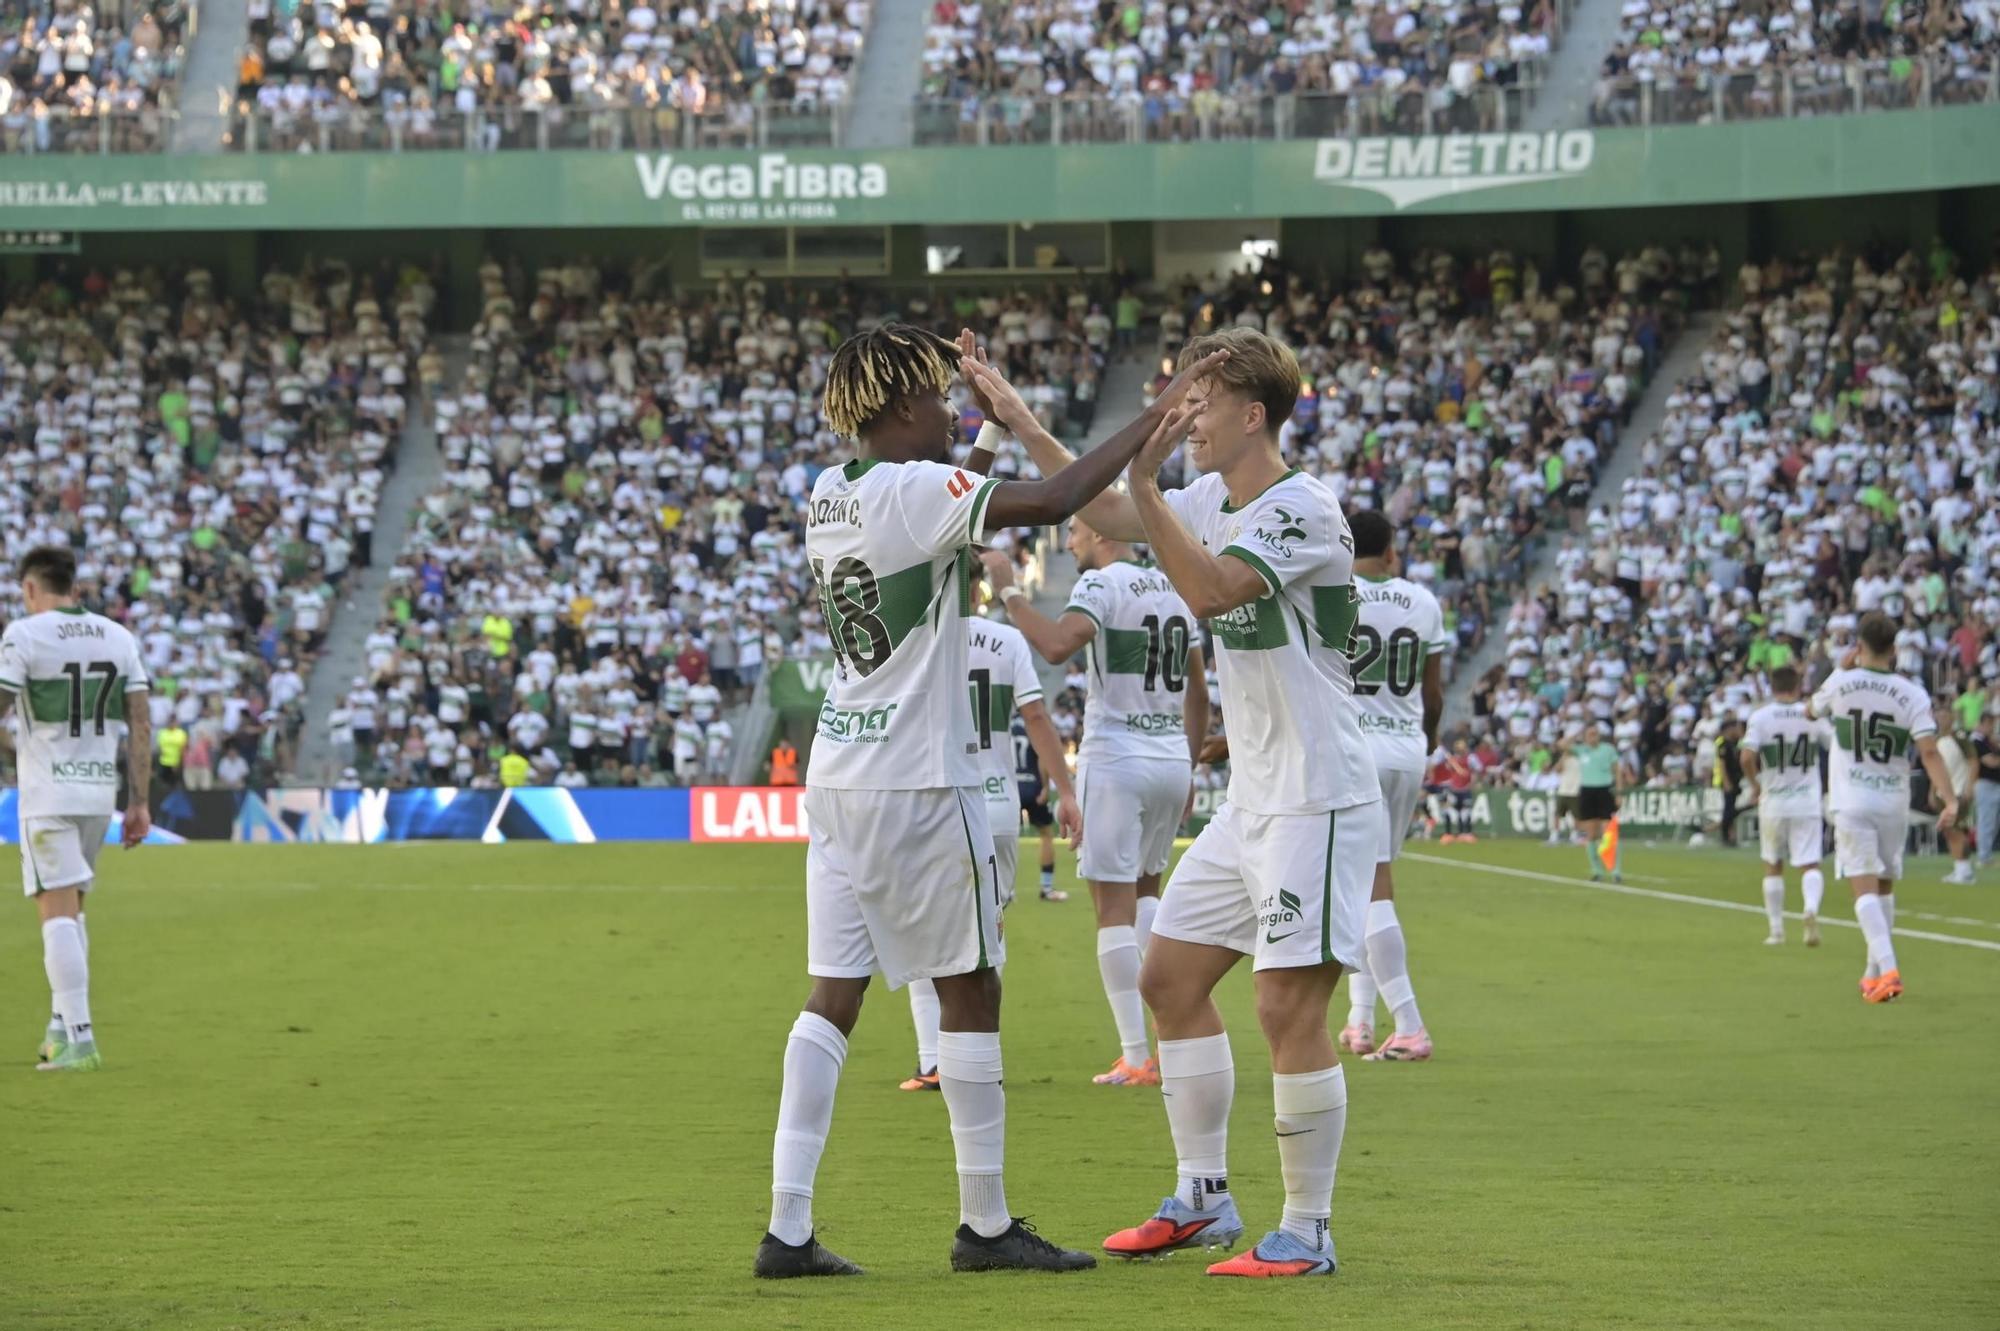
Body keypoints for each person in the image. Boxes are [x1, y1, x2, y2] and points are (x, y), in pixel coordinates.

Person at [757, 323, 1225, 1279]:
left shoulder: (833, 490)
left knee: (832, 997)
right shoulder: (915, 491)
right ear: (900, 405)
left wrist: (988, 426)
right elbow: (1052, 499)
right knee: (971, 984)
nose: (945, 411)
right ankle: (985, 1223)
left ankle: (788, 1228)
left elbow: (944, 506)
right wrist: (1155, 418)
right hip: (920, 780)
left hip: (841, 775)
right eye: (935, 398)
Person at [971, 326, 1380, 1278]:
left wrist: (1148, 487)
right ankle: (1203, 1197)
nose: (1186, 416)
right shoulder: (1211, 494)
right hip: (1255, 800)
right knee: (1168, 979)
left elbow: (1212, 588)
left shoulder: (1301, 506)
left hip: (1319, 794)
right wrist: (1017, 414)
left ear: (1253, 415)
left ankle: (1308, 1230)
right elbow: (1103, 505)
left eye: (1203, 402)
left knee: (1285, 1004)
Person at [983, 526, 1210, 1088]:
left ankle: (1136, 1056)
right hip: (1169, 758)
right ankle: (1172, 1039)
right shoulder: (1176, 586)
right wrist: (1188, 764)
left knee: (1112, 911)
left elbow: (1057, 645)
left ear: (1102, 533)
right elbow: (1199, 691)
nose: (1070, 544)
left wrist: (1010, 592)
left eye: (1077, 531)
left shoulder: (1102, 584)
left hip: (1118, 757)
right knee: (1148, 894)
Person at [901, 598, 1081, 1094]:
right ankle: (980, 1056)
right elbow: (1036, 716)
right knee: (989, 935)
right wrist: (1066, 792)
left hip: (936, 798)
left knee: (923, 933)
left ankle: (933, 1059)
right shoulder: (1006, 640)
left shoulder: (918, 636)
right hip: (997, 803)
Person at [0, 546, 153, 1073]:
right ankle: (59, 1029)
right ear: (75, 586)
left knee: (55, 914)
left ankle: (80, 1039)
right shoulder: (118, 636)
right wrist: (139, 802)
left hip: (48, 795)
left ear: (29, 588)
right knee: (73, 909)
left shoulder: (24, 635)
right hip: (97, 794)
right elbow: (140, 723)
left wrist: (15, 748)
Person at [1805, 611, 1957, 1003]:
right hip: (1892, 798)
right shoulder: (1912, 693)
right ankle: (1872, 973)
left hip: (1852, 798)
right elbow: (1928, 751)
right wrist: (1950, 798)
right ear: (1894, 649)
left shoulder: (1842, 682)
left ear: (1859, 646)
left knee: (1863, 887)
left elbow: (1810, 710)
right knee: (1885, 884)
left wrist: (1839, 670)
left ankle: (1888, 970)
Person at [1339, 509, 1447, 1063]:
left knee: (1369, 888)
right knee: (1366, 885)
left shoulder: (1334, 590)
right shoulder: (1422, 602)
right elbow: (1434, 692)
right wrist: (1427, 743)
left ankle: (1409, 1025)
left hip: (1354, 748)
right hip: (1406, 749)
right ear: (1388, 551)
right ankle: (1360, 1019)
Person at [1740, 666, 1833, 946]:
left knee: (1773, 864)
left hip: (1774, 801)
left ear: (1772, 687)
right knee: (1810, 864)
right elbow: (1836, 745)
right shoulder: (1810, 714)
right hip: (1806, 800)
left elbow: (1746, 757)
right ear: (1797, 685)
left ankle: (1776, 930)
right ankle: (1810, 909)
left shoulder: (1761, 717)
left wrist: (1755, 784)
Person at [1567, 724, 1630, 882]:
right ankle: (1597, 870)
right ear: (1585, 736)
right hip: (1587, 791)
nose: (1593, 736)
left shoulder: (1608, 749)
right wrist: (1577, 733)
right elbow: (1561, 744)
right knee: (1591, 833)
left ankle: (1615, 870)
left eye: (1595, 733)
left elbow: (1617, 770)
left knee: (1608, 832)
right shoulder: (1581, 750)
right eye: (1590, 734)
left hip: (1604, 790)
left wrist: (1619, 792)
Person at [1933, 709, 1976, 885]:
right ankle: (1959, 868)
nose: (1941, 720)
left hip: (1958, 790)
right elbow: (1936, 767)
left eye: (1945, 716)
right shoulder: (1936, 740)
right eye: (1939, 716)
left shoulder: (1959, 738)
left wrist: (1969, 787)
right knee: (1948, 831)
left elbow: (1973, 761)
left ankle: (1965, 871)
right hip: (1942, 792)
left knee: (1957, 830)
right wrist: (1932, 791)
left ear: (1952, 718)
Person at [1974, 711, 2000, 869]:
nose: (1991, 727)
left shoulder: (1990, 742)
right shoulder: (1977, 741)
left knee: (1994, 823)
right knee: (1986, 822)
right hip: (1985, 784)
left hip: (1996, 784)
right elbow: (1991, 762)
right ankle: (1983, 857)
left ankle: (1987, 855)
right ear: (1981, 724)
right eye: (1989, 724)